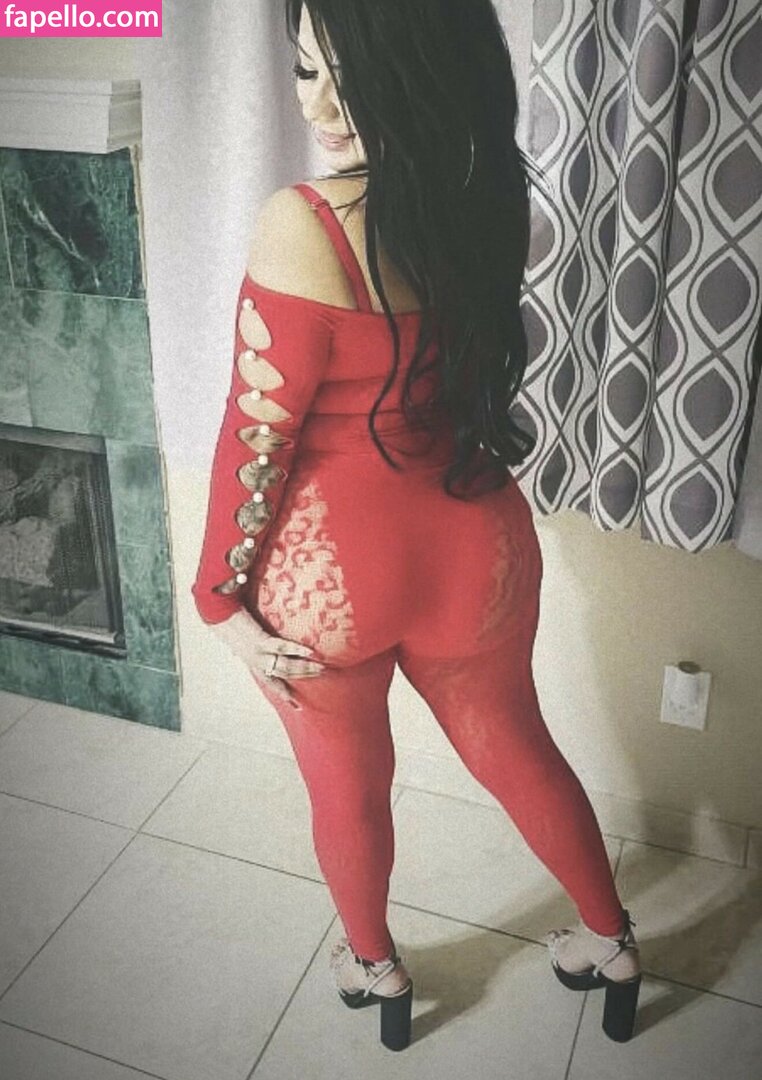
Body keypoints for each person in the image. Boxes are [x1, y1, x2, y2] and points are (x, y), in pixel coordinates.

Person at [192, 0, 641, 1051]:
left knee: (347, 783)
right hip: (476, 537)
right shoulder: (487, 193)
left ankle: (375, 969)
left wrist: (216, 596)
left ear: (424, 76)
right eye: (307, 72)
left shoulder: (303, 220)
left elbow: (255, 437)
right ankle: (611, 939)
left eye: (355, 80)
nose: (323, 108)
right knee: (518, 745)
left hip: (332, 566)